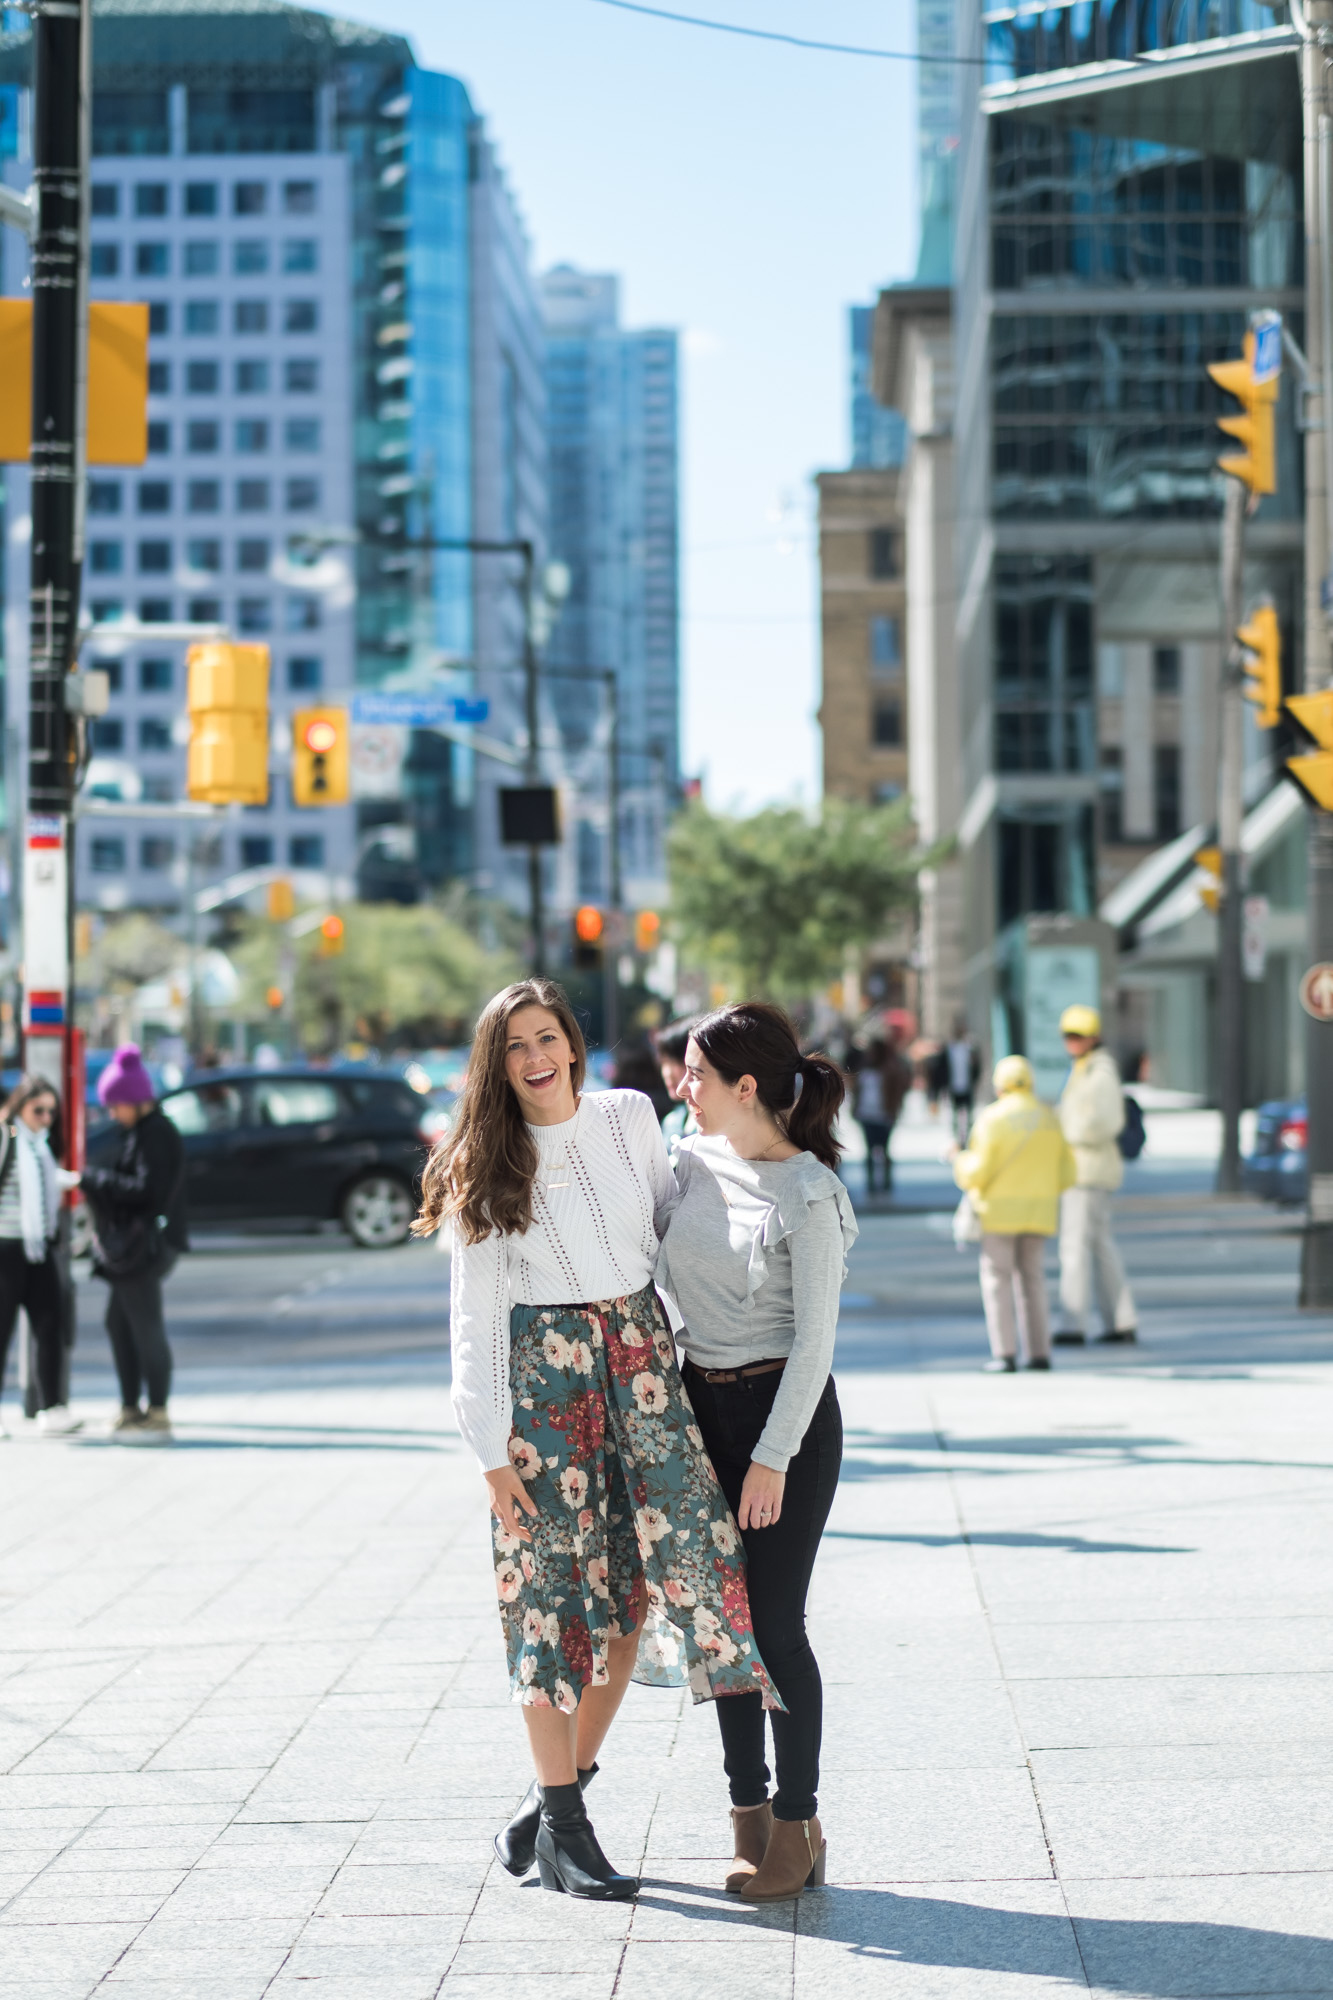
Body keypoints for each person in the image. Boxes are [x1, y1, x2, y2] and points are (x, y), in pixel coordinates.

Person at [419, 978, 774, 1904]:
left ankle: (550, 1807)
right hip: (544, 1386)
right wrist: (489, 1450)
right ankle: (567, 1830)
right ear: (495, 1067)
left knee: (638, 1596)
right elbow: (475, 1318)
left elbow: (670, 1223)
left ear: (573, 1044)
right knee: (548, 1607)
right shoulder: (485, 1162)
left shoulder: (628, 1119)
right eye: (513, 1047)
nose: (536, 1058)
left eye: (548, 1037)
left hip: (643, 1368)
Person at [656, 1003, 856, 1902]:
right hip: (702, 1409)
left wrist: (772, 1458)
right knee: (717, 1627)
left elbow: (814, 1345)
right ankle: (746, 1812)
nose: (680, 1087)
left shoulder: (808, 1194)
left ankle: (797, 1819)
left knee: (773, 1629)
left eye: (694, 1074)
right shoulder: (684, 1161)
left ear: (746, 1087)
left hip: (789, 1421)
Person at [79, 1045, 188, 1438]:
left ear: (133, 1100)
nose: (112, 1113)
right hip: (138, 1247)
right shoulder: (144, 1130)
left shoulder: (154, 1133)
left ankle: (156, 1411)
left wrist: (90, 1180)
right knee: (119, 1324)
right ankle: (131, 1407)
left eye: (115, 1105)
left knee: (143, 1326)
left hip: (144, 1247)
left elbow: (146, 1190)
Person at [953, 1056, 1075, 1373]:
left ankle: (1005, 1353)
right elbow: (1068, 1174)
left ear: (999, 1084)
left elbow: (975, 1173)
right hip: (1039, 1211)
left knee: (997, 1279)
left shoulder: (992, 1118)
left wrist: (957, 1159)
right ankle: (1039, 1352)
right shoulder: (1049, 1117)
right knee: (1033, 1279)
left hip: (999, 1213)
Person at [0, 1077, 81, 1435]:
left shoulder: (40, 1146)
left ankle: (52, 1408)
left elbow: (48, 1181)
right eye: (39, 1110)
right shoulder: (6, 1137)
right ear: (20, 1106)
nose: (46, 1117)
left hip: (39, 1247)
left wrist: (75, 1180)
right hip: (5, 1248)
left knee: (50, 1326)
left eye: (52, 1111)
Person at [1053, 1004, 1138, 1345]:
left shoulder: (1100, 1073)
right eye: (1067, 1036)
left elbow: (1105, 1122)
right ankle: (1120, 1319)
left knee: (1075, 1246)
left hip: (1088, 1170)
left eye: (1078, 1036)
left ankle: (1074, 1323)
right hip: (1084, 1169)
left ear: (1093, 1037)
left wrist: (1066, 1132)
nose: (1071, 1042)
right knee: (1099, 1244)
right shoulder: (1085, 1069)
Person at [849, 1033, 911, 1197]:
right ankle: (871, 1184)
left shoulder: (890, 1069)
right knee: (869, 1150)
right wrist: (854, 1109)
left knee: (884, 1150)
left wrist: (894, 1109)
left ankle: (886, 1183)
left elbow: (901, 1088)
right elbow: (857, 1091)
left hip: (884, 1115)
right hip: (866, 1115)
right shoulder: (864, 1069)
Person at [653, 1016, 699, 1161]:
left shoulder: (718, 1126)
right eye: (663, 1063)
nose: (667, 1073)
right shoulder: (672, 1121)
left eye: (675, 1062)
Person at [944, 1018, 981, 1144]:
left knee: (969, 1115)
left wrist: (975, 1081)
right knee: (955, 1115)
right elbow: (943, 1068)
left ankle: (969, 1139)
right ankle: (956, 1140)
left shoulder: (970, 1047)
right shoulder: (950, 1048)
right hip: (954, 1086)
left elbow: (977, 1067)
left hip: (967, 1086)